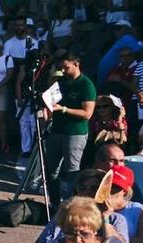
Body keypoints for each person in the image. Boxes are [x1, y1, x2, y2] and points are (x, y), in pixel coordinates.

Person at [28, 50, 98, 202]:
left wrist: (64, 109)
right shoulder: (60, 82)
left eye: (66, 67)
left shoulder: (86, 85)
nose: (64, 71)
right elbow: (50, 102)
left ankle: (71, 203)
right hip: (56, 130)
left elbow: (87, 113)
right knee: (50, 169)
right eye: (61, 68)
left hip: (75, 132)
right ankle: (53, 201)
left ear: (76, 64)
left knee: (72, 170)